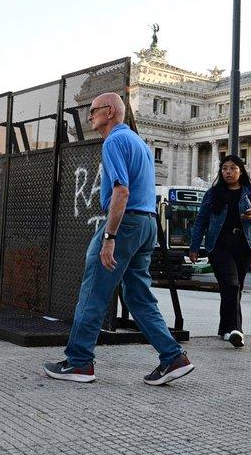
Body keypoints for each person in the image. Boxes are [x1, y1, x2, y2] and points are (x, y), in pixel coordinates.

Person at [43, 92, 193, 386]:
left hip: (125, 224)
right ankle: (172, 356)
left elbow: (121, 191)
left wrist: (109, 236)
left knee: (94, 292)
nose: (89, 116)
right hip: (147, 223)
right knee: (138, 296)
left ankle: (79, 362)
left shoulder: (113, 141)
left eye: (93, 110)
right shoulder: (140, 143)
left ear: (109, 111)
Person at [190, 154, 251, 347]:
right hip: (219, 245)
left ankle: (225, 329)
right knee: (231, 285)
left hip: (243, 246)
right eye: (225, 168)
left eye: (233, 168)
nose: (228, 172)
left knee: (234, 288)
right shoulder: (213, 193)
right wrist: (194, 246)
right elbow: (201, 221)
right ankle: (236, 330)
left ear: (241, 170)